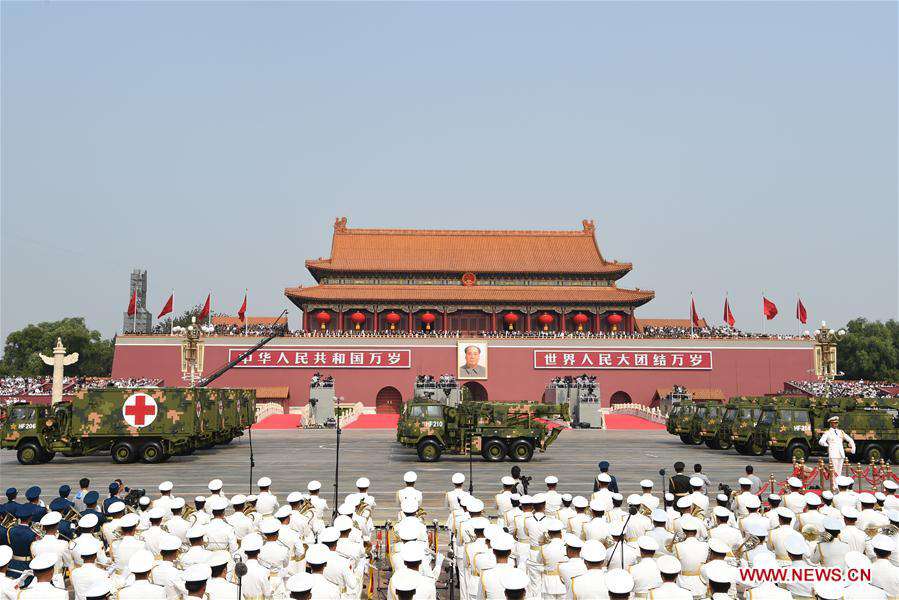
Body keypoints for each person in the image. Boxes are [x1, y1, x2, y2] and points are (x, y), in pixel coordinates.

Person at [819, 415, 856, 488]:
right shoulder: (828, 432)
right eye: (834, 423)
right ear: (831, 423)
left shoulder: (840, 432)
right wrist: (827, 445)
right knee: (834, 471)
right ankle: (834, 487)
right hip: (833, 454)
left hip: (841, 454)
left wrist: (853, 448)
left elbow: (850, 439)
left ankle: (838, 486)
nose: (836, 424)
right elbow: (821, 441)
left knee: (839, 472)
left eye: (836, 423)